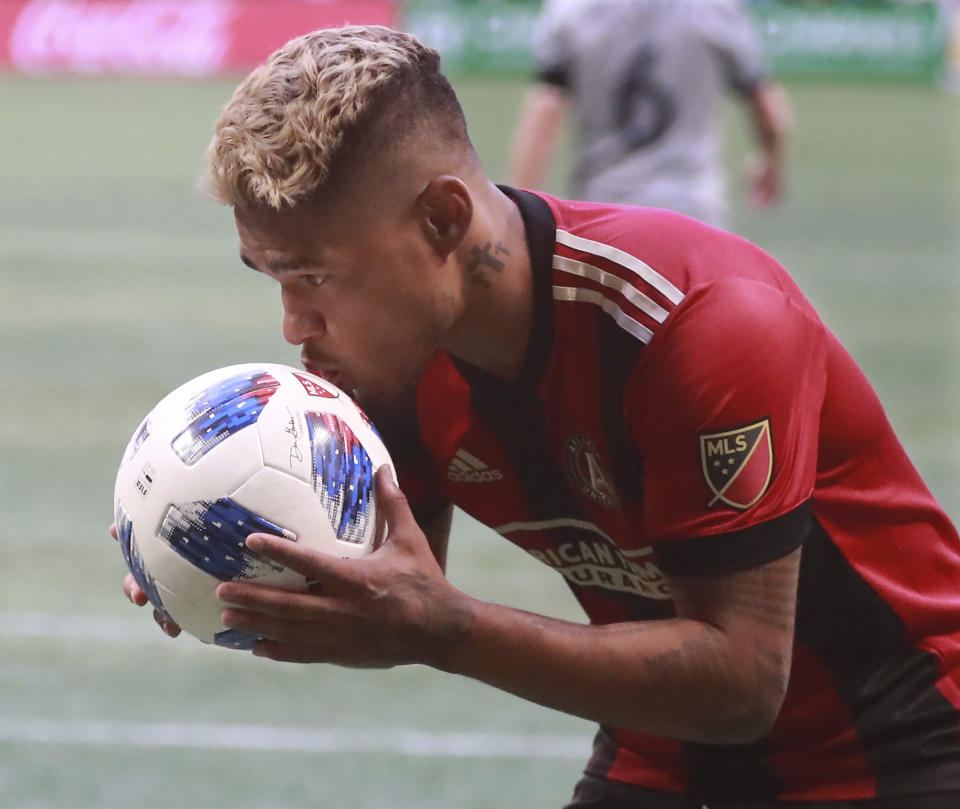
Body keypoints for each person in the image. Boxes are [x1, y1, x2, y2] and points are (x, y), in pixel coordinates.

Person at [118, 25, 960, 808]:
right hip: (663, 745)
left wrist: (447, 630)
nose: (293, 326)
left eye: (312, 277)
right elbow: (379, 578)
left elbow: (741, 680)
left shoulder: (699, 321)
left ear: (442, 219)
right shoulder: (397, 361)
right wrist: (212, 564)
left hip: (907, 741)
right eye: (269, 276)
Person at [509, 0, 792, 228]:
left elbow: (543, 115)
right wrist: (770, 165)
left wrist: (521, 209)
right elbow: (770, 113)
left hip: (603, 210)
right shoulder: (719, 9)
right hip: (692, 210)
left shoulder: (571, 10)